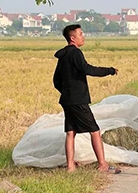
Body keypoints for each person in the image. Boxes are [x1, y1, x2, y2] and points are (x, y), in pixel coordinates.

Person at [52, 24, 121, 173]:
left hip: (67, 100)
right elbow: (87, 69)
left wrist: (66, 92)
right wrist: (109, 70)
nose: (83, 36)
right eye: (81, 34)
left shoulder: (63, 56)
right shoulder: (75, 53)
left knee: (71, 132)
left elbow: (56, 80)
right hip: (78, 100)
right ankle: (103, 165)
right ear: (72, 38)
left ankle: (70, 166)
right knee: (95, 130)